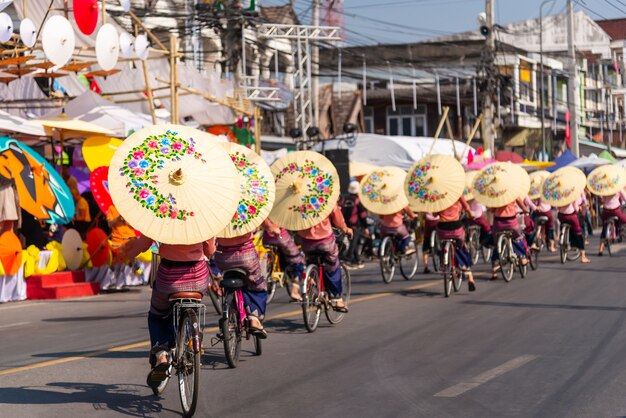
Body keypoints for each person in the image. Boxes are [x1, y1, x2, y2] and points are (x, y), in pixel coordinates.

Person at [120, 235, 215, 387]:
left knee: (157, 314)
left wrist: (131, 254)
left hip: (169, 279)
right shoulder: (201, 218)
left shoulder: (164, 216)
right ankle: (191, 339)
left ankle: (161, 355)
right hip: (197, 278)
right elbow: (209, 251)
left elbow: (143, 244)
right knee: (193, 305)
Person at [297, 205, 353, 312]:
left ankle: (311, 282)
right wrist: (345, 228)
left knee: (310, 260)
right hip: (324, 241)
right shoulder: (325, 197)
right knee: (332, 263)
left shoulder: (298, 200)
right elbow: (337, 218)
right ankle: (337, 299)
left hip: (306, 242)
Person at [214, 231, 268, 338]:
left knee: (228, 278)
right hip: (245, 258)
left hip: (223, 260)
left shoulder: (218, 216)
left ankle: (229, 316)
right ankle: (254, 319)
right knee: (256, 284)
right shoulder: (246, 215)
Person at [435, 196, 477, 291]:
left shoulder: (439, 196)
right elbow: (466, 208)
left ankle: (443, 263)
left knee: (442, 245)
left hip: (442, 229)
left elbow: (434, 214)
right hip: (456, 228)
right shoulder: (457, 195)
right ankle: (470, 277)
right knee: (461, 248)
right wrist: (470, 215)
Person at [261, 218, 305, 301]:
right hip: (280, 237)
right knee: (298, 261)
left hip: (266, 238)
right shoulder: (282, 209)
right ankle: (295, 291)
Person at [490, 197, 530, 279]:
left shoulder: (497, 195)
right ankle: (522, 257)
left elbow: (492, 210)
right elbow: (520, 203)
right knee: (519, 237)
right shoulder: (512, 193)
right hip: (511, 223)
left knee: (496, 243)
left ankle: (494, 267)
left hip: (498, 224)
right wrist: (525, 209)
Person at [341, 181, 369, 269]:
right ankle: (348, 259)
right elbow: (363, 215)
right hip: (354, 226)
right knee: (353, 243)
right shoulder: (356, 201)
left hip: (346, 225)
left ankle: (357, 260)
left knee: (353, 242)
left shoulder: (344, 199)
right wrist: (365, 227)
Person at [557, 192, 591, 263]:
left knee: (563, 225)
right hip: (571, 216)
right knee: (578, 233)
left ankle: (562, 237)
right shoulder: (572, 193)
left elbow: (557, 207)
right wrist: (578, 209)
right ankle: (583, 256)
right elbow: (575, 207)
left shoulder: (559, 193)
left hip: (561, 216)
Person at [598, 189, 626, 256]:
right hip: (615, 210)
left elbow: (603, 201)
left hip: (606, 211)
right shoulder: (619, 188)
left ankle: (600, 248)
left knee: (604, 227)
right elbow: (625, 198)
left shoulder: (606, 189)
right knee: (624, 220)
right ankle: (621, 233)